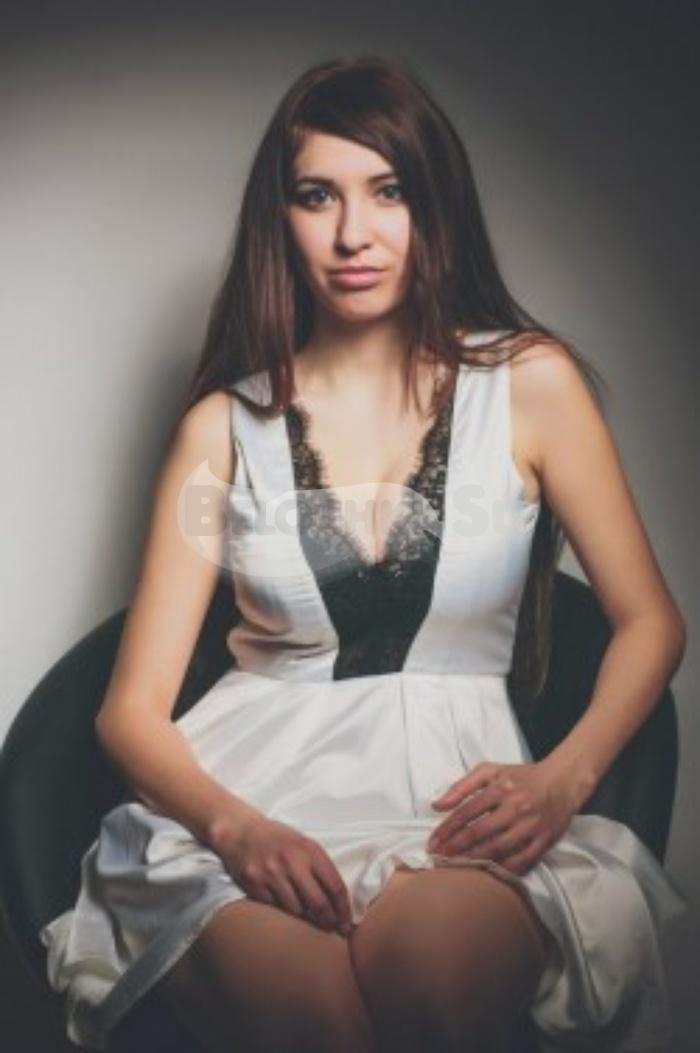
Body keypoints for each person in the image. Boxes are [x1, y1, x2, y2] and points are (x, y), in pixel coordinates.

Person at [39, 55, 688, 1053]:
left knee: (431, 993)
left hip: (450, 807)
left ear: (435, 205)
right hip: (246, 807)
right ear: (280, 218)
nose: (352, 233)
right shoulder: (221, 429)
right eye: (317, 196)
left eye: (388, 191)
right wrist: (238, 831)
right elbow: (129, 711)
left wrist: (562, 780)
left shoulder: (532, 385)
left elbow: (650, 623)